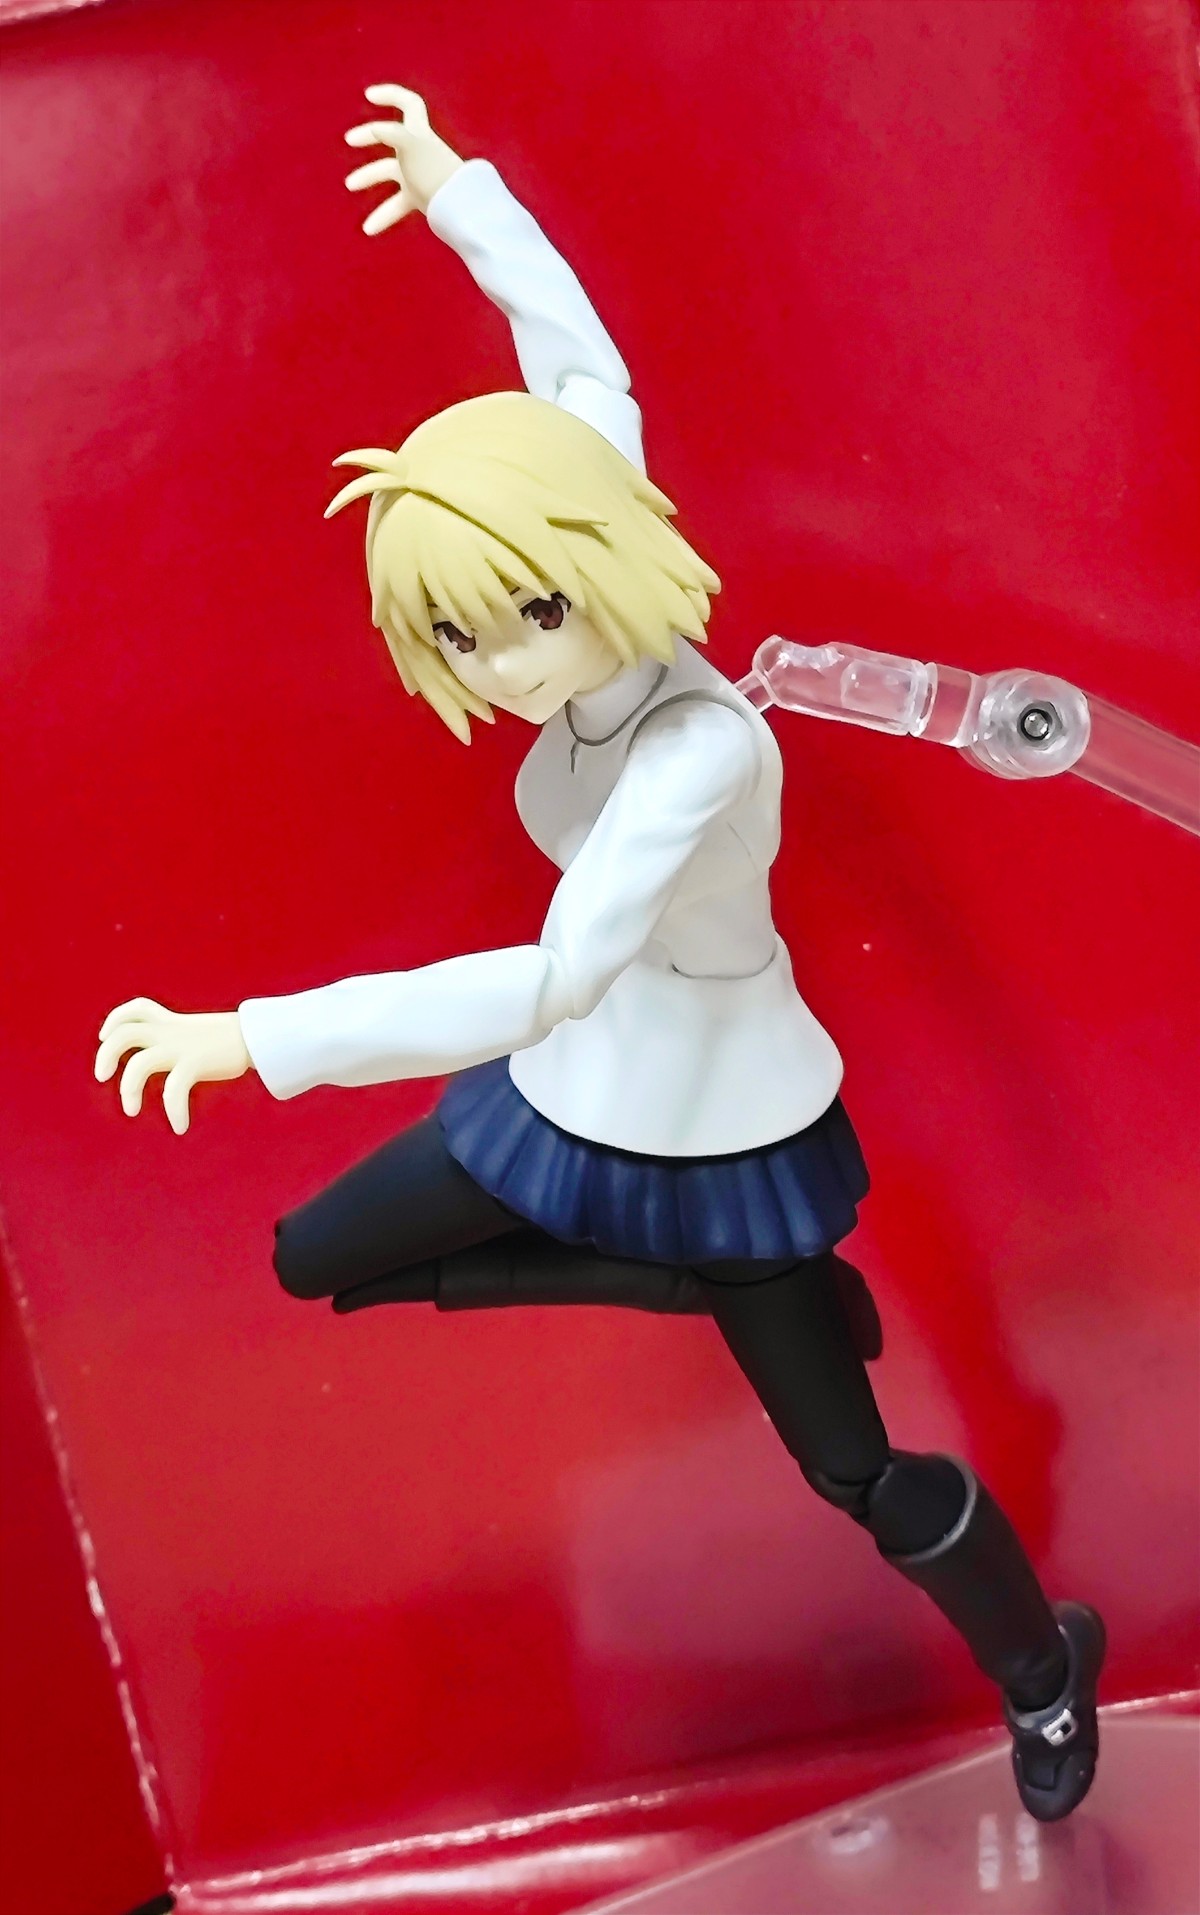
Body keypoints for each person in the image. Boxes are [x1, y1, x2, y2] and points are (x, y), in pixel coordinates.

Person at [95, 84, 1104, 1821]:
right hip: (589, 1085)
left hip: (723, 1112)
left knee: (853, 1474)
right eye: (455, 636)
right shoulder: (587, 509)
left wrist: (255, 1035)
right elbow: (580, 361)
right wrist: (460, 196)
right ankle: (696, 1286)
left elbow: (558, 972)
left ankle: (1042, 1669)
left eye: (525, 622)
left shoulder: (697, 751)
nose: (499, 669)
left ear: (603, 563)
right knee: (314, 1259)